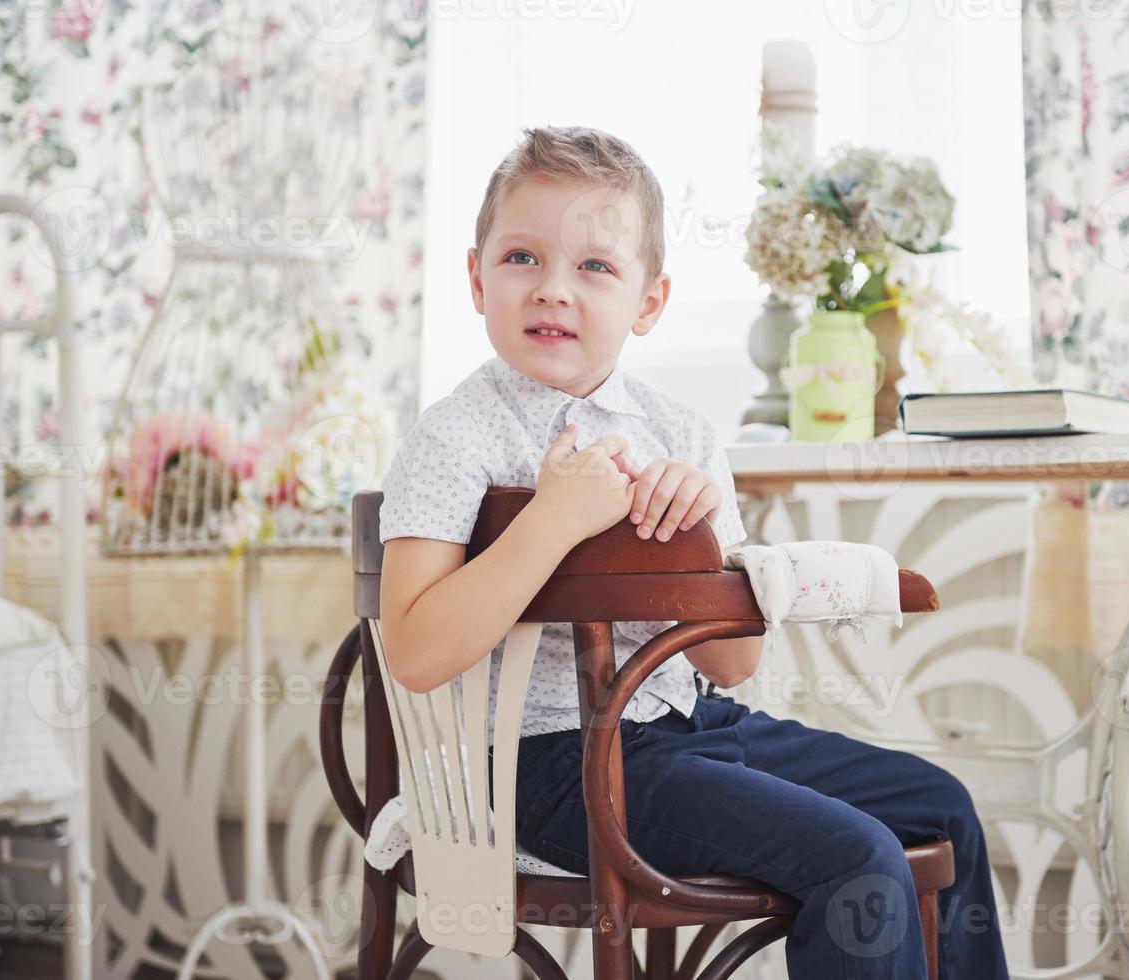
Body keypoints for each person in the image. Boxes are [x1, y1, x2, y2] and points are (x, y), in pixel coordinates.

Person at [377, 124, 1008, 979]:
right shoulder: (453, 437)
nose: (553, 292)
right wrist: (552, 519)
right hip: (546, 761)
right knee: (853, 856)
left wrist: (692, 544)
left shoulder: (679, 434)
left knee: (942, 811)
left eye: (594, 267)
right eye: (522, 258)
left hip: (695, 726)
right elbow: (415, 653)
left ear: (648, 301)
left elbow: (733, 662)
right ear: (475, 278)